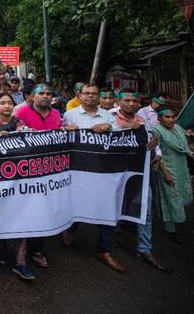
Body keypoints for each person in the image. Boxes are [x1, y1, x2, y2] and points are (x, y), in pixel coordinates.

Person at [62, 83, 123, 272]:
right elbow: (61, 140)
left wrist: (109, 127)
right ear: (79, 96)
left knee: (107, 208)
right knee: (78, 203)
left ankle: (104, 250)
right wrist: (67, 131)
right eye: (86, 93)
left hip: (103, 171)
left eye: (94, 94)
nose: (90, 96)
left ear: (99, 97)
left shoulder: (108, 116)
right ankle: (70, 229)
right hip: (79, 170)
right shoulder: (70, 116)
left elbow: (122, 139)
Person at [112, 88, 170, 272]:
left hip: (140, 173)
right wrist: (126, 130)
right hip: (115, 173)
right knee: (113, 207)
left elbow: (153, 139)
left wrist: (157, 153)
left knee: (145, 208)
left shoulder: (144, 120)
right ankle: (108, 243)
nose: (131, 104)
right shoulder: (108, 117)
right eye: (127, 100)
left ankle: (144, 249)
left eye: (135, 101)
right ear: (118, 101)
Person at [12, 83, 62, 268]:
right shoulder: (20, 112)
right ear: (31, 97)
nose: (46, 96)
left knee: (44, 211)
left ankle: (38, 249)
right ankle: (18, 255)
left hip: (48, 172)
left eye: (49, 93)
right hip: (24, 173)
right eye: (41, 93)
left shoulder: (56, 114)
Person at [0, 93, 34, 280]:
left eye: (9, 103)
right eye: (2, 103)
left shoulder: (19, 123)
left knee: (19, 217)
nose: (6, 106)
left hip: (17, 177)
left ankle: (20, 262)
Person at [152, 107, 194, 244]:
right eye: (167, 117)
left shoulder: (178, 128)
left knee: (179, 196)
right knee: (169, 198)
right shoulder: (155, 131)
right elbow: (156, 154)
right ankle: (170, 230)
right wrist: (165, 173)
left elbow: (185, 147)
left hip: (181, 168)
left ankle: (170, 224)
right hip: (167, 170)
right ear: (159, 119)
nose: (171, 119)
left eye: (173, 116)